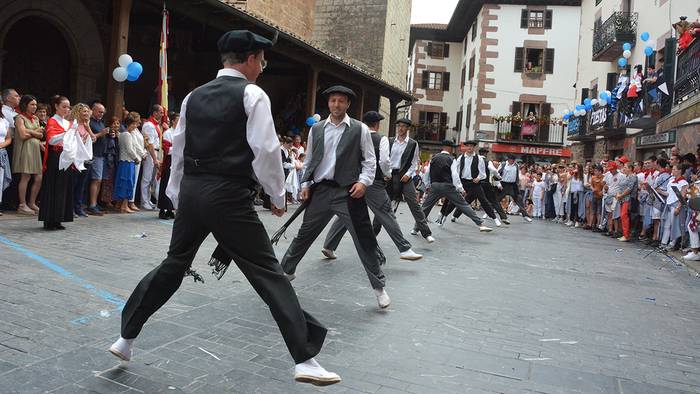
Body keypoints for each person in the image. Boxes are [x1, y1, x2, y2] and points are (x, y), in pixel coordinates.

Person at [110, 30, 340, 386]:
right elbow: (265, 151)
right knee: (268, 273)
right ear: (248, 58)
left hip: (193, 191)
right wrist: (277, 197)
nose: (263, 67)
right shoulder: (253, 94)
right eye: (262, 60)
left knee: (174, 264)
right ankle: (305, 358)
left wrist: (177, 194)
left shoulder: (192, 97)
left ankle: (126, 337)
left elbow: (181, 150)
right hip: (229, 195)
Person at [280, 85, 389, 313]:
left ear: (348, 104)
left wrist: (363, 182)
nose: (336, 105)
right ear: (328, 104)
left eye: (341, 101)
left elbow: (370, 161)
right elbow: (310, 161)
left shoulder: (359, 129)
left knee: (363, 238)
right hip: (321, 191)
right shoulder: (317, 129)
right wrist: (306, 184)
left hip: (348, 192)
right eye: (333, 101)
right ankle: (285, 272)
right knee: (304, 234)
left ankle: (379, 287)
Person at [321, 110, 423, 262]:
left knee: (346, 214)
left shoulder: (354, 136)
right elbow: (384, 161)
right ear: (377, 124)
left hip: (353, 181)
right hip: (373, 182)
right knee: (386, 213)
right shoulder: (381, 138)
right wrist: (387, 174)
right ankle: (404, 248)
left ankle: (329, 245)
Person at [419, 140, 492, 232]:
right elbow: (455, 175)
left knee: (425, 207)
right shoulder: (452, 159)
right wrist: (460, 188)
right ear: (449, 148)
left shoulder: (434, 157)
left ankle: (415, 228)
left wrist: (427, 185)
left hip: (435, 185)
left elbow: (427, 173)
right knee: (463, 205)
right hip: (447, 186)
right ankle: (480, 223)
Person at [385, 118, 435, 242]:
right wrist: (385, 173)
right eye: (399, 126)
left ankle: (426, 233)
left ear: (408, 129)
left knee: (414, 204)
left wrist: (408, 174)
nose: (400, 128)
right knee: (385, 205)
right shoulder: (389, 141)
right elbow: (384, 159)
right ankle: (374, 233)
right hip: (390, 176)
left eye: (403, 126)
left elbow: (414, 163)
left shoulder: (413, 144)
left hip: (405, 176)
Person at [439, 140, 502, 226]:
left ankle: (494, 218)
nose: (469, 147)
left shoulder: (479, 158)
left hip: (474, 183)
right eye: (468, 146)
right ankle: (444, 217)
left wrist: (478, 178)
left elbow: (483, 173)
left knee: (483, 200)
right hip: (463, 182)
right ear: (465, 147)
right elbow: (455, 172)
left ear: (474, 148)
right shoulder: (460, 158)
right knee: (453, 200)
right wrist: (457, 184)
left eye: (471, 146)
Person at [39, 96, 74, 230]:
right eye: (63, 106)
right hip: (55, 156)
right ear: (56, 106)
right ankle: (49, 220)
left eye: (68, 107)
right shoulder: (52, 121)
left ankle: (59, 218)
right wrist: (67, 133)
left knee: (63, 187)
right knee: (53, 186)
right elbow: (52, 140)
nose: (66, 109)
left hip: (66, 155)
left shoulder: (68, 123)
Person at [13, 95, 44, 215]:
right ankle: (22, 204)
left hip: (35, 149)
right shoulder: (20, 118)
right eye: (32, 104)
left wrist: (30, 131)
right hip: (25, 149)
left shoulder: (35, 118)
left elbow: (41, 134)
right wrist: (34, 132)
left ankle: (32, 202)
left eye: (35, 104)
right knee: (26, 176)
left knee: (38, 177)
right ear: (25, 105)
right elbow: (22, 135)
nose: (34, 107)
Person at [113, 112, 142, 213]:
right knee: (127, 183)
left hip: (125, 162)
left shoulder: (123, 134)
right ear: (130, 124)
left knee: (124, 182)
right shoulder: (127, 134)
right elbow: (129, 149)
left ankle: (119, 204)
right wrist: (136, 158)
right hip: (128, 162)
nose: (135, 126)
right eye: (134, 124)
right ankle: (124, 206)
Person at [86, 101, 110, 216]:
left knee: (99, 180)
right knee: (96, 179)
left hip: (101, 154)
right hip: (93, 154)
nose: (101, 114)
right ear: (93, 110)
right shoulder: (89, 122)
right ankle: (92, 204)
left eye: (103, 112)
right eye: (99, 112)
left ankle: (95, 203)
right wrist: (101, 133)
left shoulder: (100, 122)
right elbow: (90, 137)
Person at [140, 105, 163, 210]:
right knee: (147, 177)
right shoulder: (149, 125)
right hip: (150, 153)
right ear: (155, 113)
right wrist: (154, 158)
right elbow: (150, 144)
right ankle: (144, 201)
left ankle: (148, 199)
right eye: (161, 112)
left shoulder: (156, 125)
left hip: (157, 152)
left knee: (152, 178)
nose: (162, 114)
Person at [660, 164, 688, 250]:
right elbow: (668, 194)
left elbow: (682, 196)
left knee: (674, 225)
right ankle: (664, 243)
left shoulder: (684, 183)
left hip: (676, 205)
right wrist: (660, 191)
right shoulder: (671, 180)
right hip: (669, 204)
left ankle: (672, 244)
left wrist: (678, 207)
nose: (672, 170)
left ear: (680, 171)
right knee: (667, 225)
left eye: (674, 169)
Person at [498, 155, 533, 222]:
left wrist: (517, 184)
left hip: (513, 185)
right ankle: (488, 213)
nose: (512, 161)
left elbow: (516, 175)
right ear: (508, 159)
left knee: (519, 200)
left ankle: (525, 215)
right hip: (503, 184)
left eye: (513, 160)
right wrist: (498, 184)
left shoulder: (516, 165)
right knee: (496, 200)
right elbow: (497, 173)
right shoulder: (503, 164)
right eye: (511, 159)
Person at [157, 113, 177, 219]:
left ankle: (170, 209)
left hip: (176, 163)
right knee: (165, 185)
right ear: (173, 121)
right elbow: (167, 150)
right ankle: (162, 209)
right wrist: (177, 147)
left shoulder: (179, 133)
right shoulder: (168, 133)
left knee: (173, 187)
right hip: (168, 162)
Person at [616, 163, 637, 242]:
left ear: (630, 168)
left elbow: (629, 188)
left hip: (628, 199)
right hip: (623, 198)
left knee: (624, 215)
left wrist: (621, 195)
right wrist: (618, 194)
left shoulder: (633, 177)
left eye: (625, 167)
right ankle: (625, 234)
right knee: (623, 216)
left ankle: (626, 235)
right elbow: (620, 186)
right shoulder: (626, 176)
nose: (623, 169)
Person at [0, 109, 11, 215]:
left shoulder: (4, 121)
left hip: (1, 152)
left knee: (0, 179)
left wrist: (1, 145)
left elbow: (8, 138)